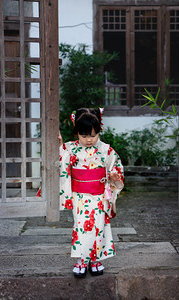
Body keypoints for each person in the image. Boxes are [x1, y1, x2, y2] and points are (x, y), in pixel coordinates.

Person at [59, 108, 124, 278]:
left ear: (99, 131)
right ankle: (82, 260)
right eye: (84, 135)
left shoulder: (105, 150)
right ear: (77, 133)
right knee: (81, 227)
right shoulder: (70, 148)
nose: (89, 139)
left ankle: (95, 259)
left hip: (99, 195)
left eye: (93, 135)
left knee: (99, 226)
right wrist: (59, 146)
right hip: (79, 196)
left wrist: (114, 175)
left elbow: (115, 166)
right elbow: (61, 163)